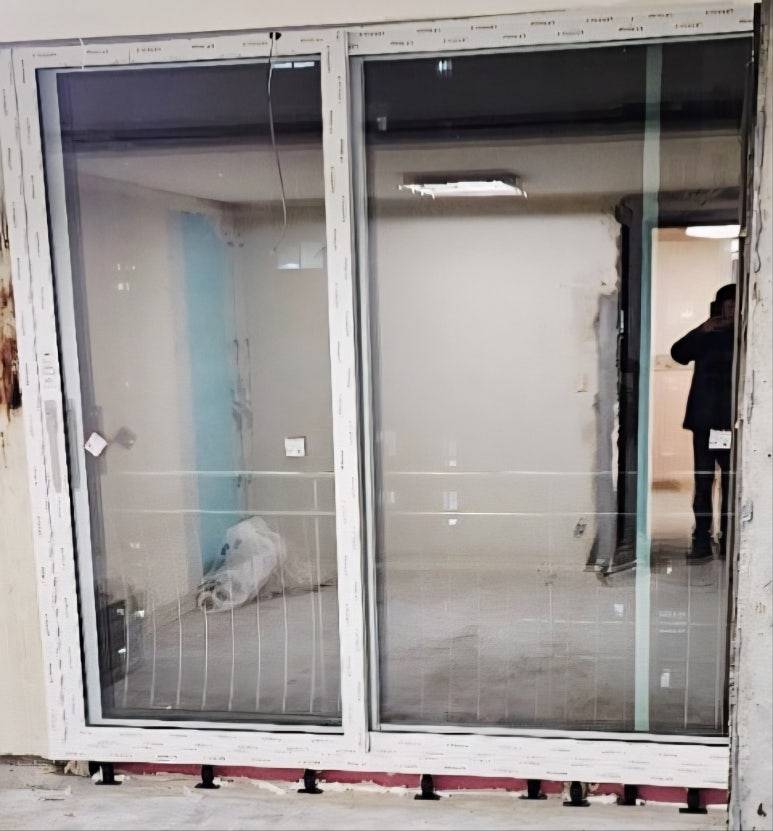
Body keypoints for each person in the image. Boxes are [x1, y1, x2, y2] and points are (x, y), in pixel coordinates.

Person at [670, 284, 736, 559]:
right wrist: (702, 329)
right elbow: (678, 353)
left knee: (731, 482)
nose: (731, 312)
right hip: (706, 420)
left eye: (736, 306)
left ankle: (729, 536)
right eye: (728, 306)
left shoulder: (746, 335)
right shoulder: (707, 334)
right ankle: (701, 538)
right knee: (704, 481)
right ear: (719, 307)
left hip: (731, 422)